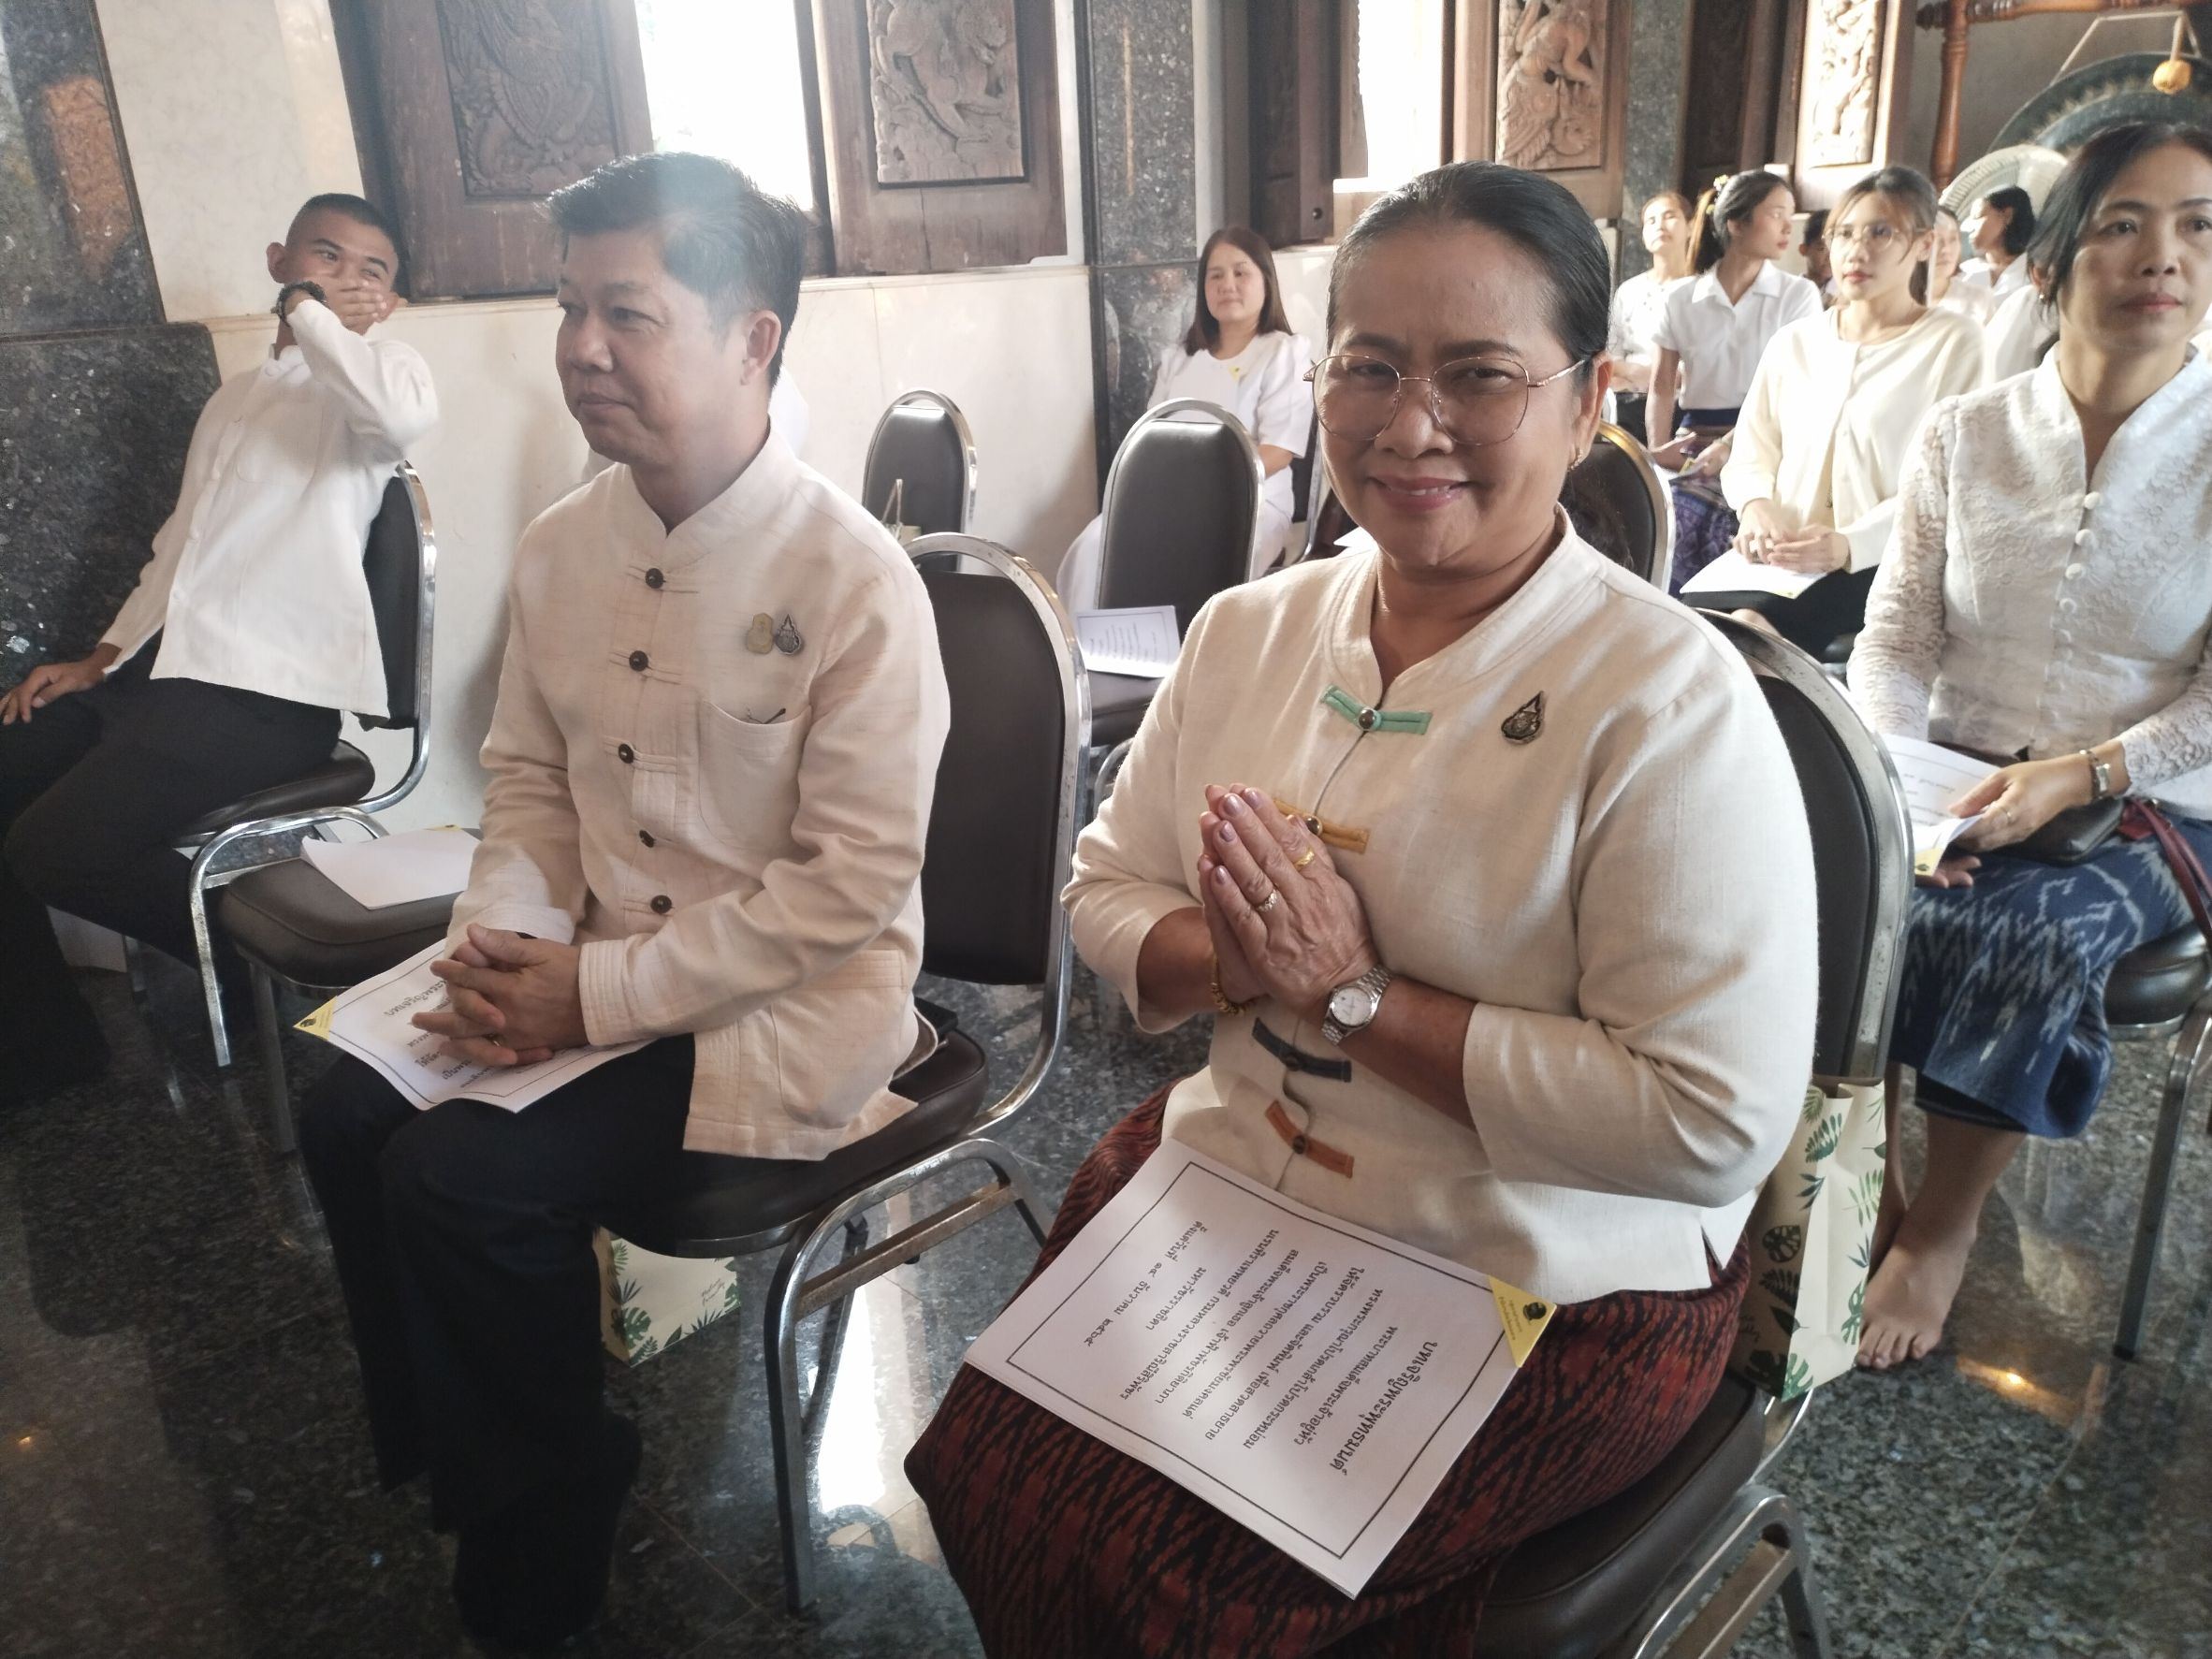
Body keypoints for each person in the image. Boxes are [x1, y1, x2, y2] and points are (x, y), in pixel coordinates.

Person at [906, 160, 1818, 1657]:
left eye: (1480, 377)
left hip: (1544, 1276)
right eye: (1370, 368)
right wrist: (1234, 956)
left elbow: (1707, 1119)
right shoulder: (1252, 630)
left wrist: (1353, 996)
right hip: (1247, 1190)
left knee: (1175, 1596)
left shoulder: (1665, 697)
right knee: (990, 1471)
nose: (1411, 426)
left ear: (1586, 402)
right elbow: (1107, 886)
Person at [295, 153, 950, 1647]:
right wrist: (509, 943)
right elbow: (525, 778)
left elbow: (846, 892)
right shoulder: (560, 547)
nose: (581, 347)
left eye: (629, 313)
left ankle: (551, 1511)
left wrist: (583, 997)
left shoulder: (853, 582)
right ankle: (470, 1456)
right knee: (342, 1104)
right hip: (587, 964)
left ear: (752, 338)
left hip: (775, 1013)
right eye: (570, 307)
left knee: (455, 1177)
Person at [1847, 123, 2212, 1370]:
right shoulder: (1970, 431)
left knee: (2020, 931)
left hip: (2157, 796)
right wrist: (1899, 795)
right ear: (2054, 263)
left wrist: (2085, 771)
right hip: (1954, 770)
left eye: (2198, 226)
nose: (2162, 254)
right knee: (1818, 871)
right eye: (2123, 222)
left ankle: (1943, 1226)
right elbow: (1893, 640)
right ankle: (1864, 1178)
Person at [0, 193, 434, 1102]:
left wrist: (311, 315)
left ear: (386, 302)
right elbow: (180, 545)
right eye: (324, 257)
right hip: (167, 676)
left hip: (270, 698)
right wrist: (103, 656)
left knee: (51, 851)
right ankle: (41, 1052)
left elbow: (396, 424)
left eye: (371, 270)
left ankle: (242, 967)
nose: (346, 279)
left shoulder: (381, 378)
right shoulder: (236, 398)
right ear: (279, 259)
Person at [1702, 167, 1985, 656]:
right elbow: (1753, 449)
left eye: (1881, 232)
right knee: (1693, 630)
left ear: (1922, 243)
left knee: (1748, 637)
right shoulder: (1798, 342)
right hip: (1782, 559)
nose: (1857, 250)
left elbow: (1950, 482)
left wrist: (1850, 544)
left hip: (1887, 560)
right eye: (1844, 234)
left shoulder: (1954, 343)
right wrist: (1755, 508)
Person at [1056, 227, 1312, 611]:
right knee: (1095, 546)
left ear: (1266, 282)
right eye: (1215, 275)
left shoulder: (1283, 353)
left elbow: (1278, 451)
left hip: (1248, 505)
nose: (1228, 284)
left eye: (1241, 273)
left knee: (1189, 558)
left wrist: (1206, 491)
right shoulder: (1181, 357)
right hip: (1166, 499)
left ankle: (1185, 666)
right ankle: (1096, 660)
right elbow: (1150, 439)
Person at [1649, 171, 1824, 590]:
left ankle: (1716, 627)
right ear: (1736, 223)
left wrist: (1733, 446)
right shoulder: (1679, 298)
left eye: (1791, 216)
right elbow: (1661, 385)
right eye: (1777, 214)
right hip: (1694, 441)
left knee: (1713, 518)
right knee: (1657, 515)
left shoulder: (1797, 296)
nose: (1788, 227)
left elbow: (1802, 391)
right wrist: (1658, 450)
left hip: (1768, 445)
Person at [1606, 189, 1694, 444]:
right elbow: (1611, 354)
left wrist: (1659, 378)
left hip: (1681, 401)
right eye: (1651, 221)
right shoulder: (1629, 290)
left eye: (1669, 216)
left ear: (1690, 227)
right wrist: (1635, 373)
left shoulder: (1703, 290)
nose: (1660, 226)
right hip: (1628, 395)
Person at [1958, 183, 2036, 302]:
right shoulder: (1966, 270)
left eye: (1977, 217)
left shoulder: (2034, 275)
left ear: (2007, 216)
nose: (1968, 227)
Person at [1928, 203, 1996, 324]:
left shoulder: (1978, 299)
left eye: (1953, 239)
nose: (1946, 249)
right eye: (1936, 240)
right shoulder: (1893, 299)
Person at [1800, 206, 1835, 297]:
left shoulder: (1844, 293)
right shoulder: (1793, 290)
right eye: (1822, 249)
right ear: (1804, 250)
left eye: (1834, 248)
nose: (1830, 257)